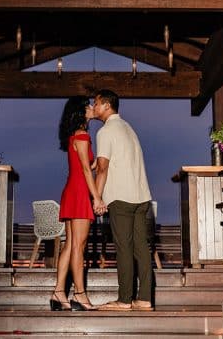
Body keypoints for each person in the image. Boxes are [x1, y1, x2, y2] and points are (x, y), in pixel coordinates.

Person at [89, 90, 153, 311]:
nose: (94, 107)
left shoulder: (106, 131)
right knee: (141, 248)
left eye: (96, 103)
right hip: (141, 195)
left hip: (121, 197)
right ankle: (144, 298)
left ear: (107, 105)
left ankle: (125, 299)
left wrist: (97, 198)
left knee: (124, 248)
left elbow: (103, 168)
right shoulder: (128, 128)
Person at [50, 96, 103, 311]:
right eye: (88, 105)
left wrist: (101, 160)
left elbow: (86, 166)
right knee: (78, 247)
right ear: (81, 112)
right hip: (79, 192)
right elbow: (85, 170)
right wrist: (97, 197)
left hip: (72, 189)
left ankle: (58, 292)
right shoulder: (82, 136)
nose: (92, 107)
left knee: (70, 245)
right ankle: (79, 294)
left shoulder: (75, 135)